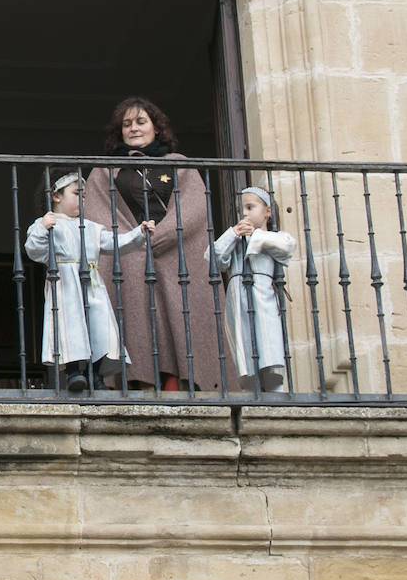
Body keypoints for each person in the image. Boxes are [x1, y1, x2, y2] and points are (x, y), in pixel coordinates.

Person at [82, 97, 224, 391]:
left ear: (156, 128)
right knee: (135, 321)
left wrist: (159, 236)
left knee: (178, 320)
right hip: (128, 258)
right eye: (127, 124)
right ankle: (135, 384)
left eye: (140, 121)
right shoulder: (105, 170)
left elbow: (195, 206)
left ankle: (179, 385)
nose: (133, 128)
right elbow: (95, 211)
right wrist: (132, 242)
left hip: (173, 253)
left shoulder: (179, 165)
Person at [25, 172, 153, 393]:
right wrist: (42, 227)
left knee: (98, 326)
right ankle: (75, 372)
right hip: (65, 283)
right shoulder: (48, 223)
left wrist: (139, 233)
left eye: (84, 196)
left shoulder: (91, 227)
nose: (82, 200)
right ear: (56, 196)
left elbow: (116, 243)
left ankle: (96, 375)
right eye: (77, 194)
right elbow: (34, 250)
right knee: (72, 327)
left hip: (91, 283)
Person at [208, 186, 296, 393]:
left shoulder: (274, 237)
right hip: (238, 297)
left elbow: (287, 245)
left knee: (268, 342)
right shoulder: (235, 240)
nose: (244, 213)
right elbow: (214, 258)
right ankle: (250, 390)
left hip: (262, 295)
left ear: (267, 212)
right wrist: (232, 234)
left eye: (250, 207)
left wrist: (255, 236)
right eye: (241, 209)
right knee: (243, 346)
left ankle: (276, 389)